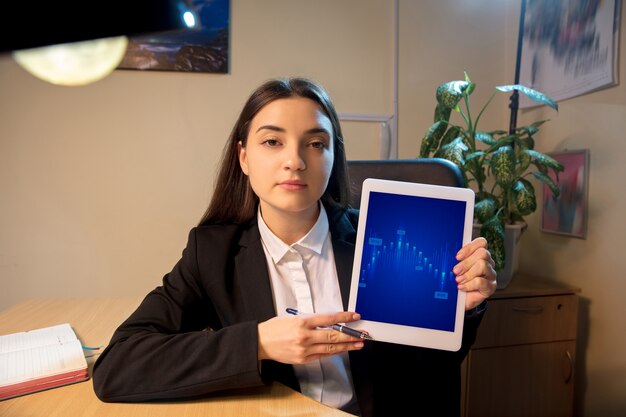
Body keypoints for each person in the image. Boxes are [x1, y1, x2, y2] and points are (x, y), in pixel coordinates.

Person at [93, 77, 497, 416]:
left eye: (315, 143)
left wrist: (461, 310)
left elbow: (425, 379)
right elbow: (118, 365)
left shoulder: (383, 241)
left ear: (333, 155)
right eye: (272, 142)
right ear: (244, 156)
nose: (295, 161)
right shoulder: (211, 254)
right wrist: (260, 343)